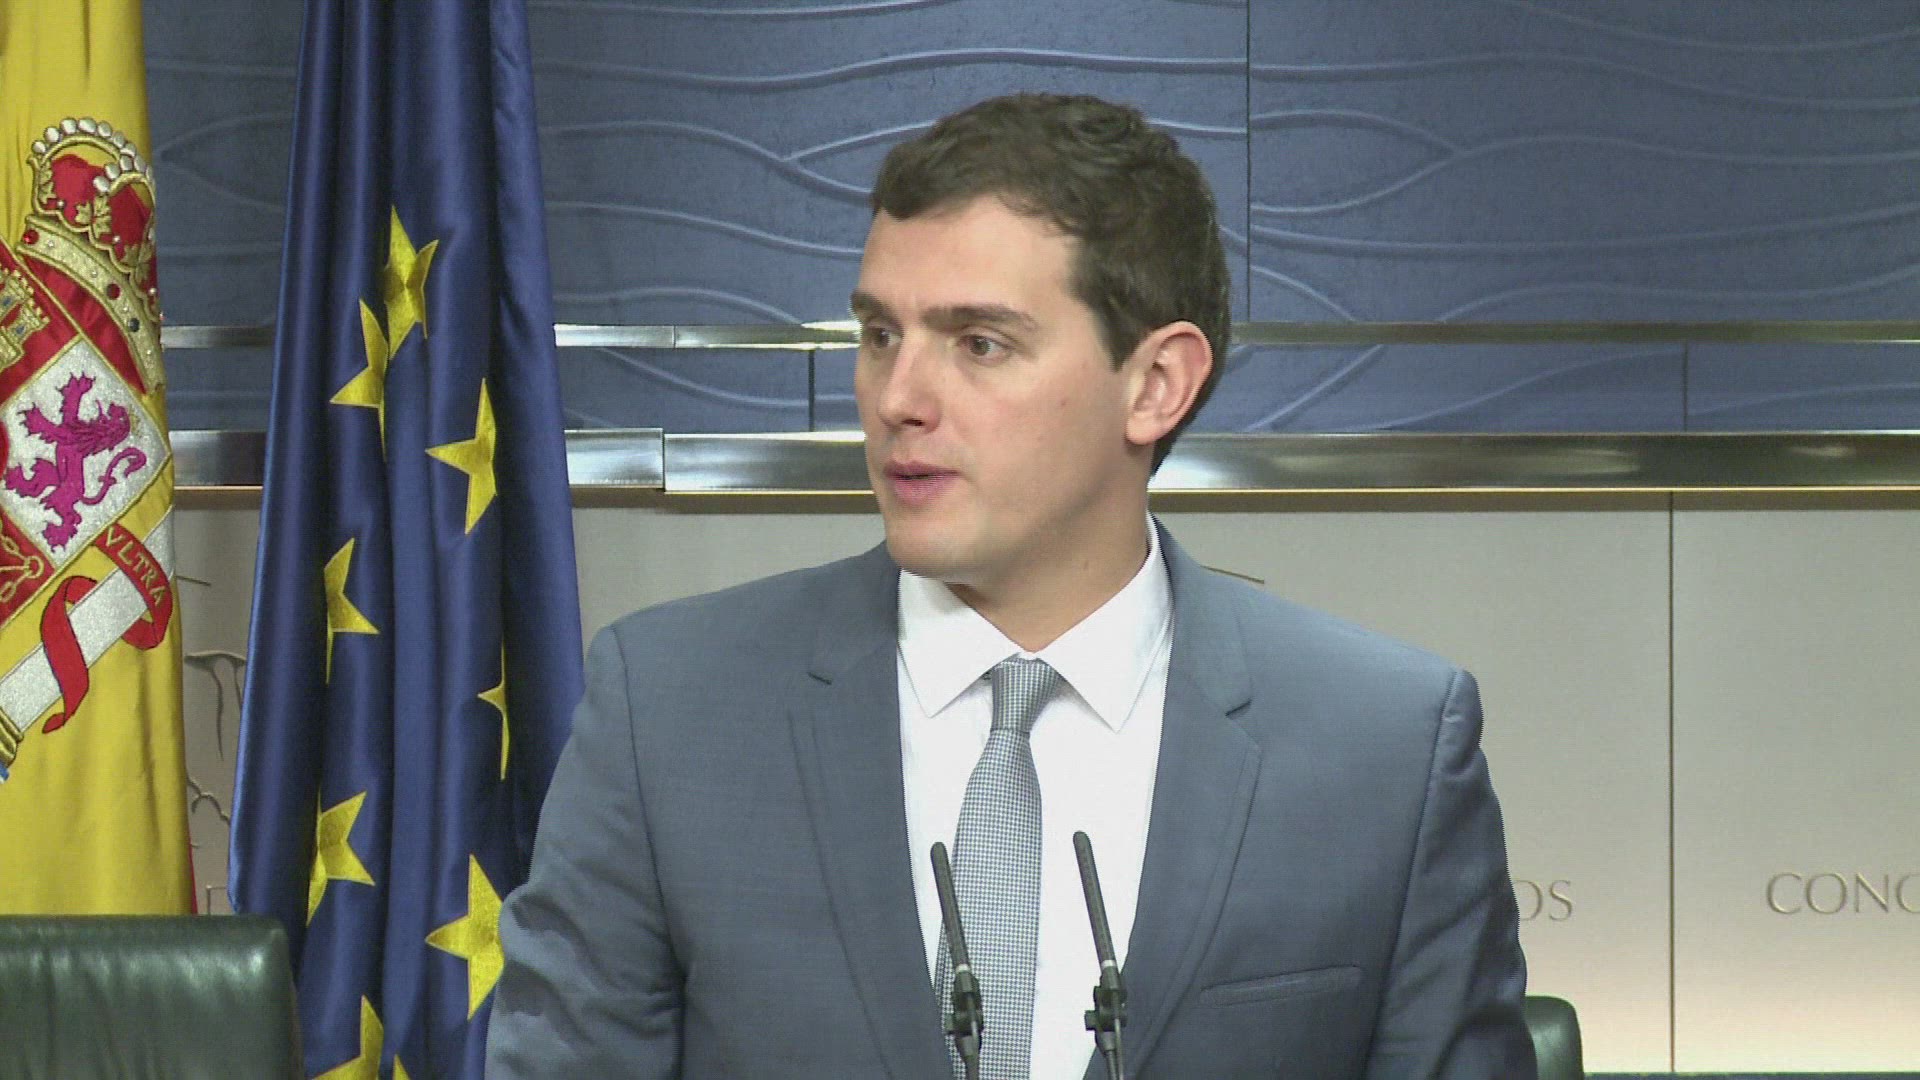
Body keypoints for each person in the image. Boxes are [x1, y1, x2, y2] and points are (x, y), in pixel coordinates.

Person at [488, 92, 1535, 1079]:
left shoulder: (1388, 753)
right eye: (880, 335)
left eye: (979, 344)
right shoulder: (671, 714)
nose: (899, 398)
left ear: (1156, 384)